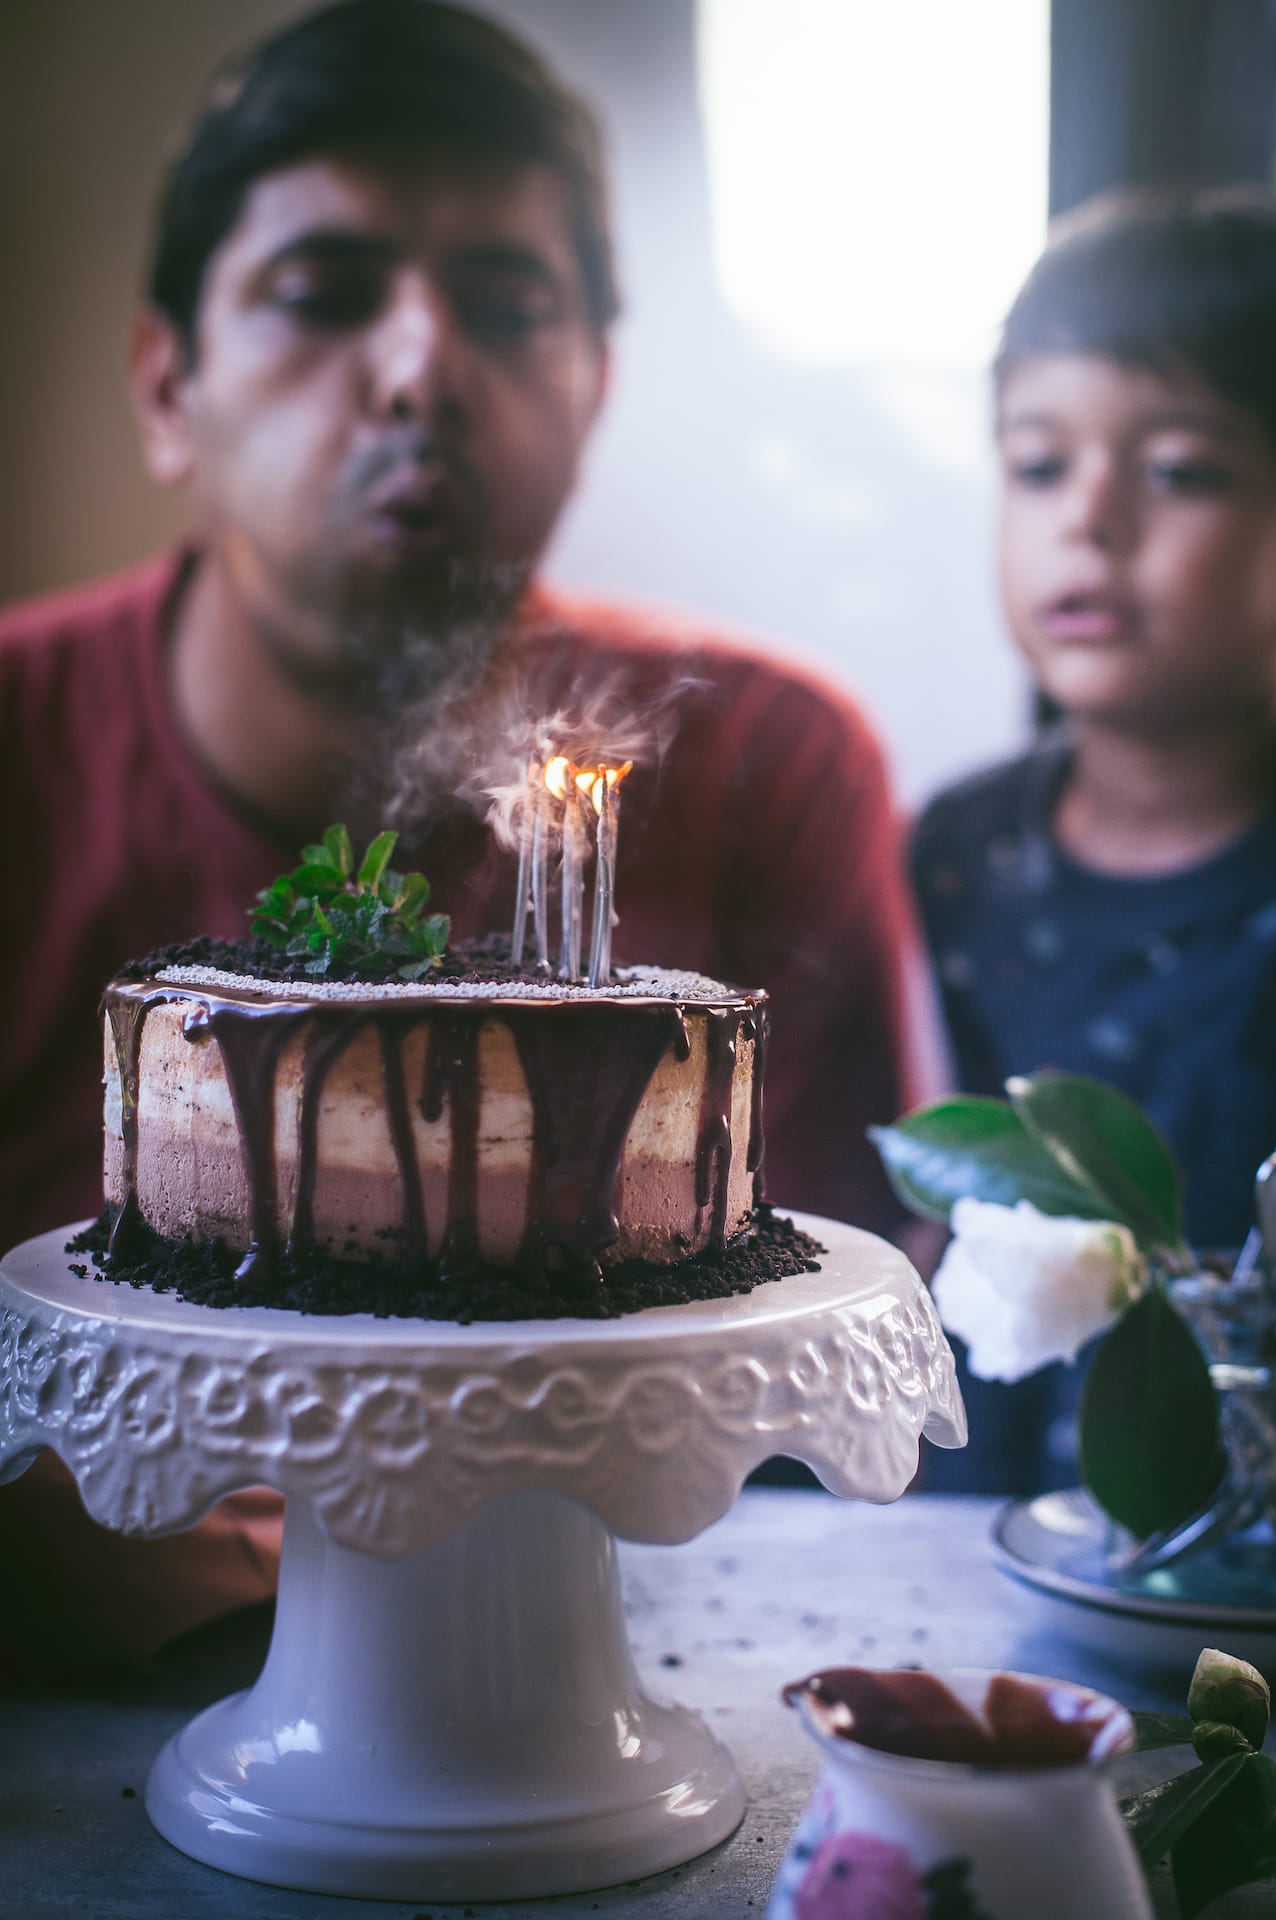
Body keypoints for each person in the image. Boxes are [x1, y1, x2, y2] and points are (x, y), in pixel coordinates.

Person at [0, 0, 917, 1674]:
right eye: (322, 292)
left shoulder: (774, 763)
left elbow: (809, 1387)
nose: (418, 365)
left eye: (506, 300)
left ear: (592, 388)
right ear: (164, 387)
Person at [911, 187, 1276, 1492]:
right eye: (1039, 465)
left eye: (1178, 469)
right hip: (970, 1540)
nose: (1091, 516)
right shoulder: (954, 855)